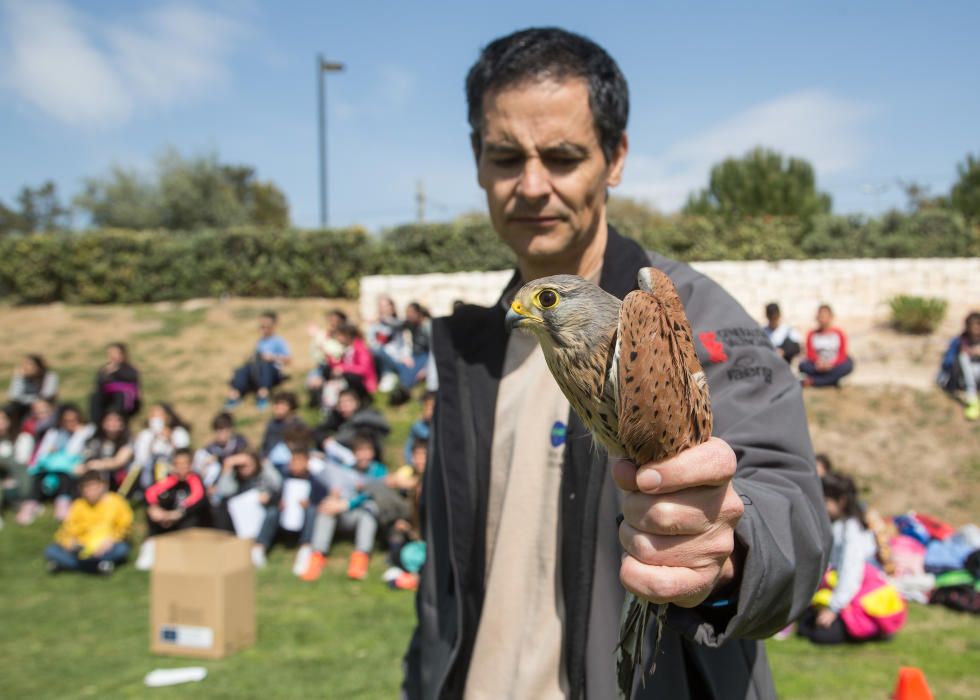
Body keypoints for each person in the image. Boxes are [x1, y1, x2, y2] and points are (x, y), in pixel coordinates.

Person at [403, 28, 830, 700]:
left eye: (564, 157)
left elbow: (791, 515)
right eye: (507, 157)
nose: (533, 186)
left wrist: (726, 554)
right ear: (476, 160)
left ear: (616, 156)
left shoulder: (686, 314)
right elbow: (445, 593)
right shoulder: (471, 351)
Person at [797, 473, 906, 644]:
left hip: (860, 596)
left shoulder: (851, 530)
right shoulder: (838, 525)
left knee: (818, 633)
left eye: (825, 501)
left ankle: (875, 628)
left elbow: (850, 572)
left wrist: (833, 608)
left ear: (840, 501)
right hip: (844, 592)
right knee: (805, 624)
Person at [300, 434, 387, 582]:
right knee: (327, 508)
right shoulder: (343, 470)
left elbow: (371, 494)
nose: (364, 455)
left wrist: (347, 504)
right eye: (360, 451)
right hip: (342, 514)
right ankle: (317, 556)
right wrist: (333, 498)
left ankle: (361, 557)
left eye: (367, 451)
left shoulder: (380, 471)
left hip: (362, 514)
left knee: (369, 508)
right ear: (353, 454)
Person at [43, 470, 133, 575]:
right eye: (87, 488)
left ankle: (74, 566)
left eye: (94, 488)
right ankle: (96, 567)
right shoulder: (78, 505)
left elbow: (125, 527)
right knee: (51, 550)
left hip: (106, 547)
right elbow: (66, 531)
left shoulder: (116, 501)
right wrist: (70, 543)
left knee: (121, 549)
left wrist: (111, 541)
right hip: (82, 549)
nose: (91, 492)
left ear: (103, 486)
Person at [17, 403, 95, 524]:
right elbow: (43, 454)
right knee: (39, 477)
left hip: (71, 470)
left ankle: (62, 504)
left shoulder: (85, 432)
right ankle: (31, 504)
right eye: (67, 421)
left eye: (74, 420)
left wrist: (79, 433)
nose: (71, 423)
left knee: (64, 476)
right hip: (50, 469)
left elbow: (75, 453)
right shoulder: (54, 433)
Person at [135, 448, 209, 570]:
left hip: (187, 523)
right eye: (177, 464)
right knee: (151, 513)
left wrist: (176, 514)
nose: (181, 468)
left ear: (191, 465)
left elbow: (197, 501)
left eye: (184, 464)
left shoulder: (195, 481)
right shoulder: (168, 480)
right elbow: (150, 494)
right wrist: (155, 509)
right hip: (168, 523)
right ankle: (151, 547)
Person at [212, 449, 282, 568]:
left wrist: (264, 464)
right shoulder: (234, 477)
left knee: (273, 512)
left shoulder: (263, 472)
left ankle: (258, 549)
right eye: (241, 466)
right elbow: (224, 490)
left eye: (248, 464)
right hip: (240, 522)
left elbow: (278, 483)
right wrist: (228, 465)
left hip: (261, 516)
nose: (245, 468)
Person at [226, 310, 292, 410]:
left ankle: (262, 395)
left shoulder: (279, 341)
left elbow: (289, 360)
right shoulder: (260, 341)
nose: (263, 329)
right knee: (244, 369)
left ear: (273, 326)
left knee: (265, 365)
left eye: (266, 326)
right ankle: (234, 396)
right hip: (257, 370)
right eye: (261, 326)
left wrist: (272, 357)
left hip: (272, 371)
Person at [312, 387, 390, 459]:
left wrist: (334, 440)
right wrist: (325, 440)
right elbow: (318, 430)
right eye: (341, 402)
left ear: (357, 402)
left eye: (348, 401)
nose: (344, 405)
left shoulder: (366, 417)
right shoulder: (337, 417)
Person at [132, 403, 192, 493]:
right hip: (150, 473)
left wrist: (170, 439)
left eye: (159, 415)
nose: (155, 418)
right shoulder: (145, 434)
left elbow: (183, 456)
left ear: (168, 417)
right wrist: (153, 440)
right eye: (153, 415)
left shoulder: (179, 432)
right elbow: (141, 459)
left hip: (173, 470)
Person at [799, 304, 855, 387]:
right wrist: (819, 362)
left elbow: (842, 354)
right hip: (818, 365)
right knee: (803, 365)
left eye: (825, 316)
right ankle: (833, 380)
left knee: (848, 364)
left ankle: (814, 381)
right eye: (820, 316)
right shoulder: (812, 334)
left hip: (834, 365)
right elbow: (810, 354)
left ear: (831, 317)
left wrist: (831, 364)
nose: (822, 319)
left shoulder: (839, 333)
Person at [938, 311, 980, 420]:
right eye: (976, 326)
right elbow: (947, 362)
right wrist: (966, 352)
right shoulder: (959, 342)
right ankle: (972, 397)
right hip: (961, 377)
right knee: (963, 357)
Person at [80, 410, 134, 490]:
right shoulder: (94, 441)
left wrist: (96, 464)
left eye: (117, 420)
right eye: (109, 420)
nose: (113, 424)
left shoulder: (127, 442)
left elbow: (118, 462)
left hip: (117, 482)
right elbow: (86, 458)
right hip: (94, 477)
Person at [89, 342, 141, 425]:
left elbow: (132, 383)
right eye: (110, 353)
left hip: (127, 399)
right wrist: (106, 374)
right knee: (95, 396)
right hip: (108, 397)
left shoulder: (130, 369)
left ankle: (119, 420)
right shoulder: (104, 370)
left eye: (116, 353)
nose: (113, 356)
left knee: (119, 395)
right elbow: (99, 385)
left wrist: (116, 371)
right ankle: (95, 424)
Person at [193, 412, 248, 487]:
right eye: (219, 431)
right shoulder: (211, 448)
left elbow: (248, 458)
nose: (222, 435)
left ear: (231, 430)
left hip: (238, 478)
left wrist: (229, 461)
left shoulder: (239, 442)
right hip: (217, 481)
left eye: (225, 431)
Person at [366, 295, 407, 392]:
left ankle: (389, 376)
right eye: (381, 306)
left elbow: (404, 341)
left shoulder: (399, 323)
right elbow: (372, 342)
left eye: (386, 305)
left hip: (396, 358)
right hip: (379, 357)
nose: (384, 309)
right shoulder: (375, 326)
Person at [260, 391, 309, 471]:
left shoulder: (298, 424)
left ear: (291, 406)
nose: (278, 407)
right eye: (276, 404)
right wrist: (263, 457)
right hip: (271, 462)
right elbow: (265, 446)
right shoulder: (272, 424)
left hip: (294, 461)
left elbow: (303, 445)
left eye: (282, 404)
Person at [6, 354, 59, 427]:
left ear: (38, 366)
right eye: (24, 364)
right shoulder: (22, 378)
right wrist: (18, 378)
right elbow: (13, 396)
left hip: (45, 406)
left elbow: (47, 395)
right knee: (9, 409)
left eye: (29, 364)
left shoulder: (49, 376)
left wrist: (24, 399)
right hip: (24, 408)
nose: (26, 367)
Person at [402, 391, 434, 465]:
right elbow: (408, 449)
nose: (429, 411)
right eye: (426, 407)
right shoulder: (418, 427)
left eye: (431, 408)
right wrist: (411, 463)